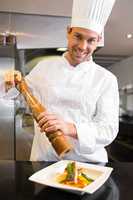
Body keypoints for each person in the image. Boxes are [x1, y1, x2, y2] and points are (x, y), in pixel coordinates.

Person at [3, 0, 119, 163]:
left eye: (91, 40)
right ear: (68, 32)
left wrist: (69, 128)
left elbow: (108, 130)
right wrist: (9, 81)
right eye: (78, 36)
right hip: (45, 161)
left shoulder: (106, 79)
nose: (82, 46)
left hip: (88, 163)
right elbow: (16, 95)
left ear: (98, 40)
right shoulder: (44, 68)